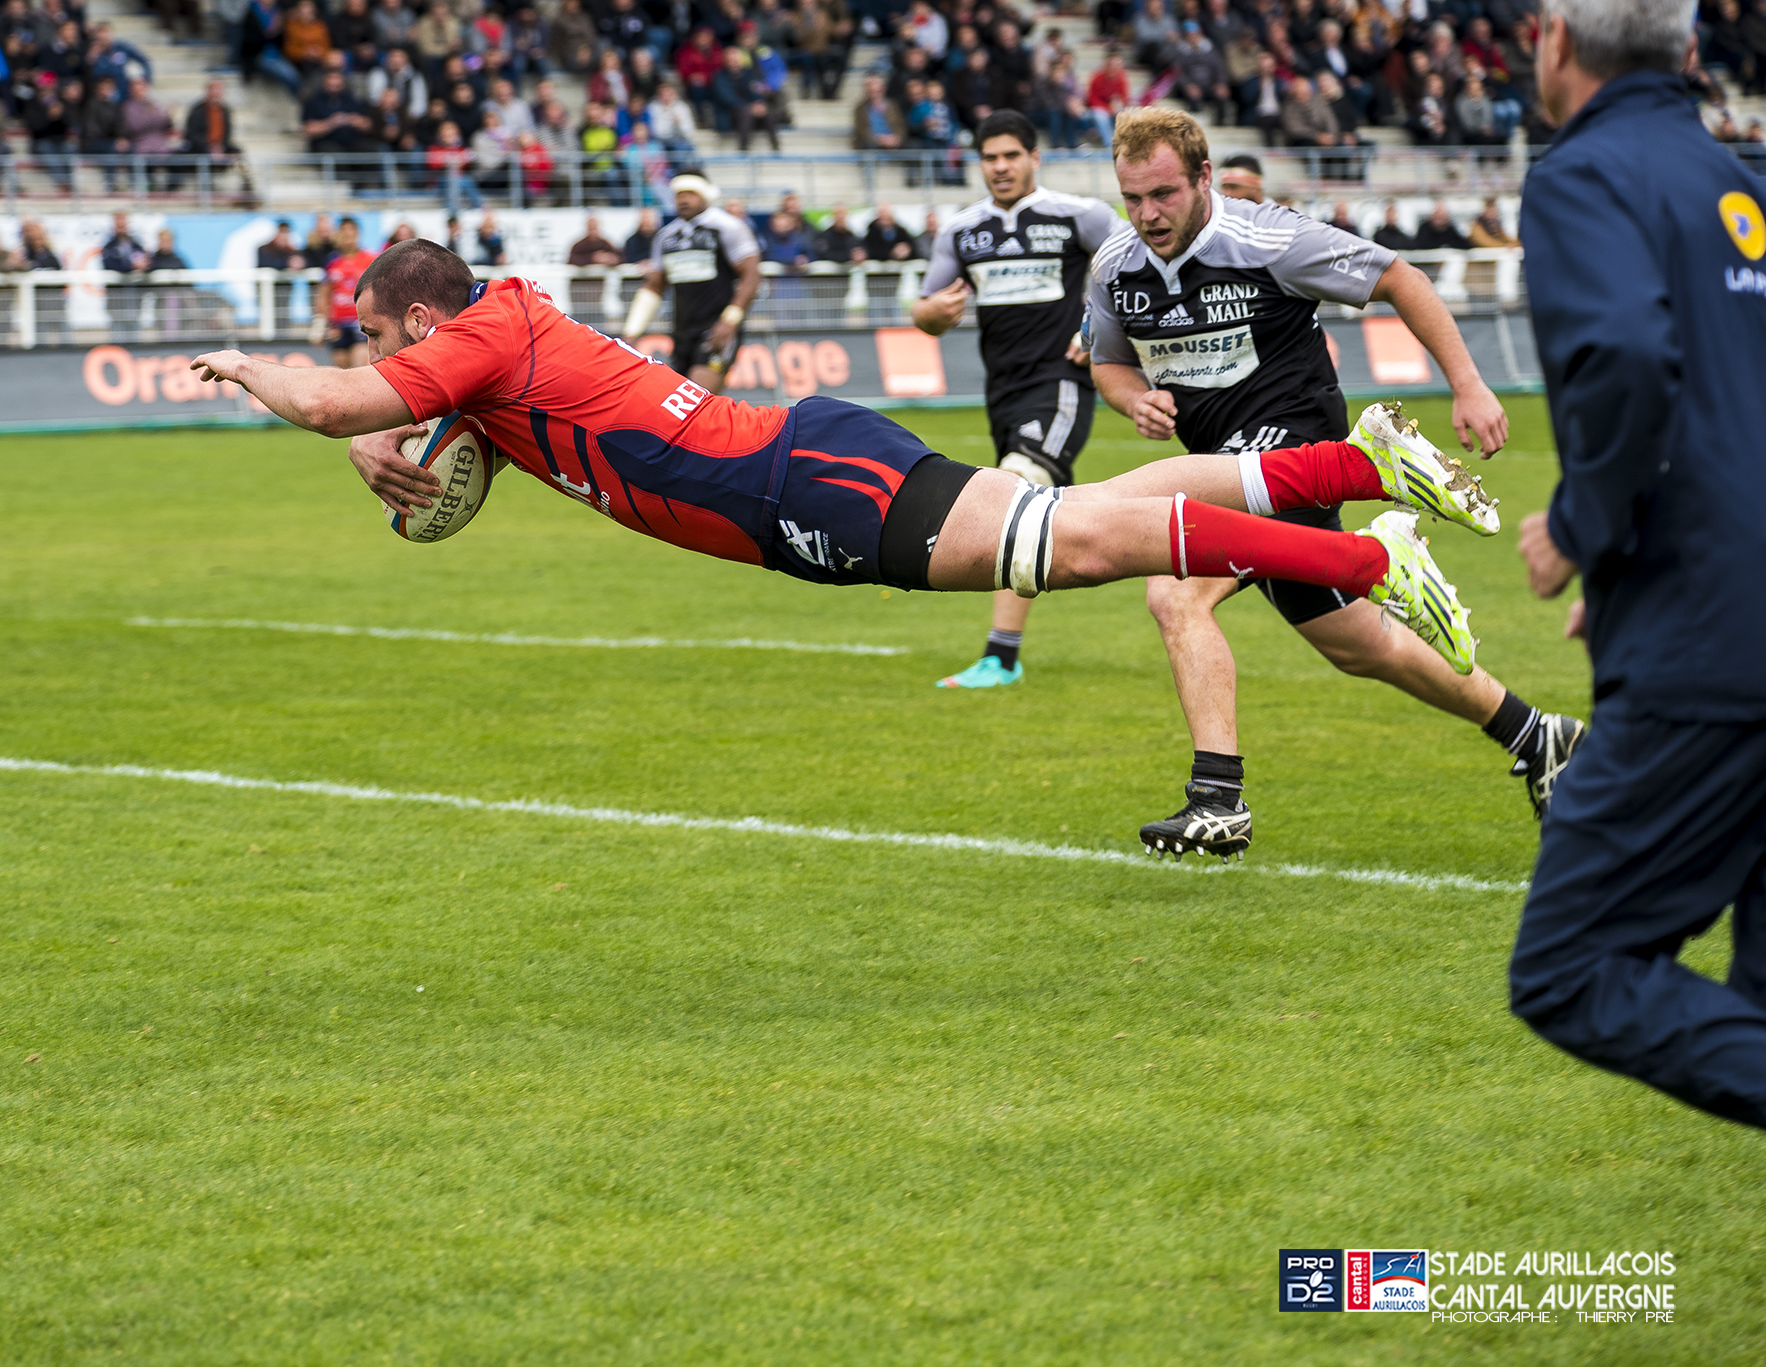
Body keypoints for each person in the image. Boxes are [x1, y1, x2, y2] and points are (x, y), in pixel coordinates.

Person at [188, 242, 1488, 720]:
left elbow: (331, 395)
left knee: (1088, 542)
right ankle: (1361, 464)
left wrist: (249, 365)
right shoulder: (495, 341)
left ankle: (1371, 555)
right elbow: (417, 411)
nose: (362, 353)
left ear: (415, 326)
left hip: (797, 485)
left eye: (370, 333)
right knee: (1086, 524)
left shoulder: (471, 341)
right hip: (801, 456)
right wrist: (386, 434)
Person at [1088, 107, 1582, 857]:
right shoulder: (1116, 267)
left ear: (1203, 177)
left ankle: (1217, 797)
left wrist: (1469, 385)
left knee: (1175, 587)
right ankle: (1535, 732)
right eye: (1134, 199)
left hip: (1295, 447)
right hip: (1218, 458)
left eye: (1164, 194)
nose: (1149, 215)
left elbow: (1400, 277)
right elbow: (1108, 360)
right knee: (1359, 644)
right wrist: (1134, 398)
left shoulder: (1268, 237)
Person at [1510, 0, 1766, 1130]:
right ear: (1691, 54)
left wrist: (1581, 530)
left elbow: (1622, 354)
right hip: (1720, 596)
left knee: (1567, 964)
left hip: (1711, 648)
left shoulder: (1582, 175)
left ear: (1554, 40)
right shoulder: (1734, 186)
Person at [914, 111, 1119, 690]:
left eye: (1011, 155)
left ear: (1034, 157)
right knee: (1037, 513)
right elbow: (927, 307)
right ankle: (1138, 549)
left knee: (1012, 495)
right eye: (990, 158)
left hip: (1059, 385)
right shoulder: (961, 231)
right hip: (1000, 391)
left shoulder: (1080, 216)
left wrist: (1097, 327)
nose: (1000, 167)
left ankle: (1000, 657)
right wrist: (929, 315)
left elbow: (1136, 271)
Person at [623, 173, 760, 394]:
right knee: (684, 411)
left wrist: (730, 321)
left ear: (705, 195)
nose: (683, 200)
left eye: (690, 194)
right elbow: (655, 286)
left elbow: (751, 276)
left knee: (694, 399)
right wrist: (631, 332)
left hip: (716, 329)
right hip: (681, 332)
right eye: (679, 195)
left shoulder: (727, 227)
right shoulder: (666, 237)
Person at [322, 216, 377, 367]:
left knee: (358, 366)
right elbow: (324, 294)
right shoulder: (332, 262)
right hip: (338, 324)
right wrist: (321, 324)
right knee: (341, 372)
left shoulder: (370, 259)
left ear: (358, 233)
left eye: (350, 231)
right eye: (343, 231)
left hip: (360, 323)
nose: (347, 235)